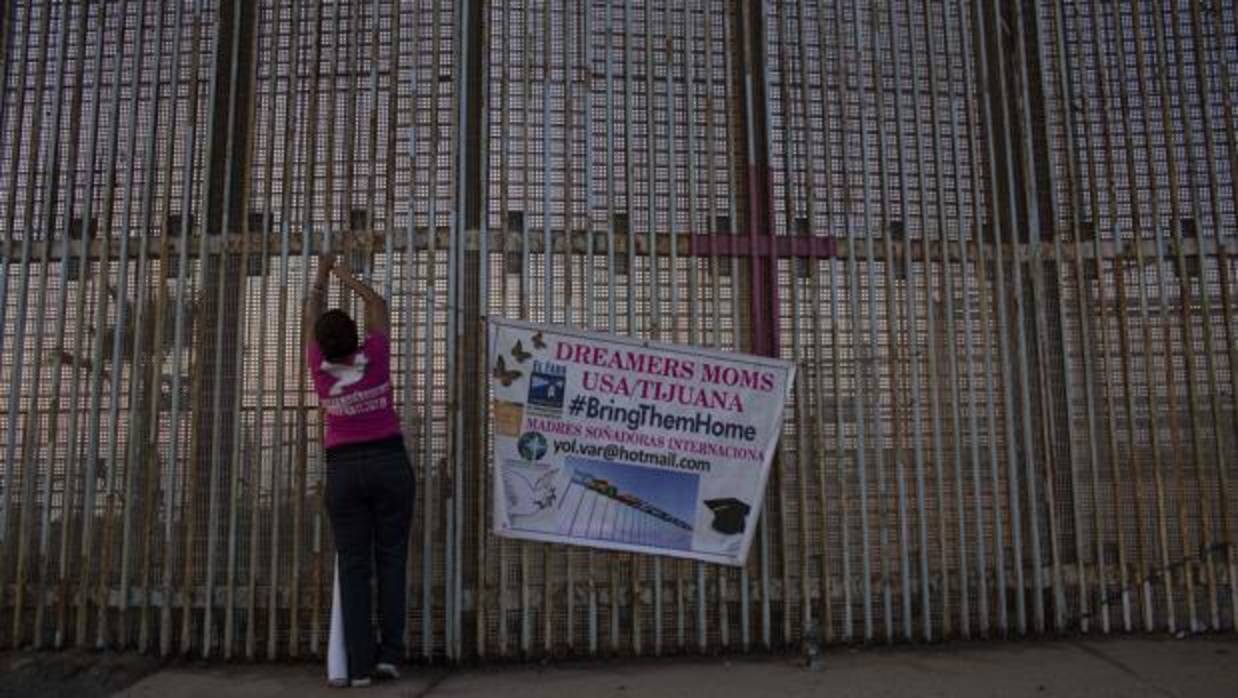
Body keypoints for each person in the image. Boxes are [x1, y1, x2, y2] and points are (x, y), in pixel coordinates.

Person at [304, 253, 413, 687]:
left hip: (345, 470)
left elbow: (312, 315)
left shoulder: (318, 366)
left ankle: (360, 666)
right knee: (391, 560)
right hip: (388, 461)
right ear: (357, 337)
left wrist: (321, 275)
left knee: (353, 565)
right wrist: (349, 277)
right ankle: (390, 656)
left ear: (322, 343)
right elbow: (379, 305)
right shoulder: (377, 354)